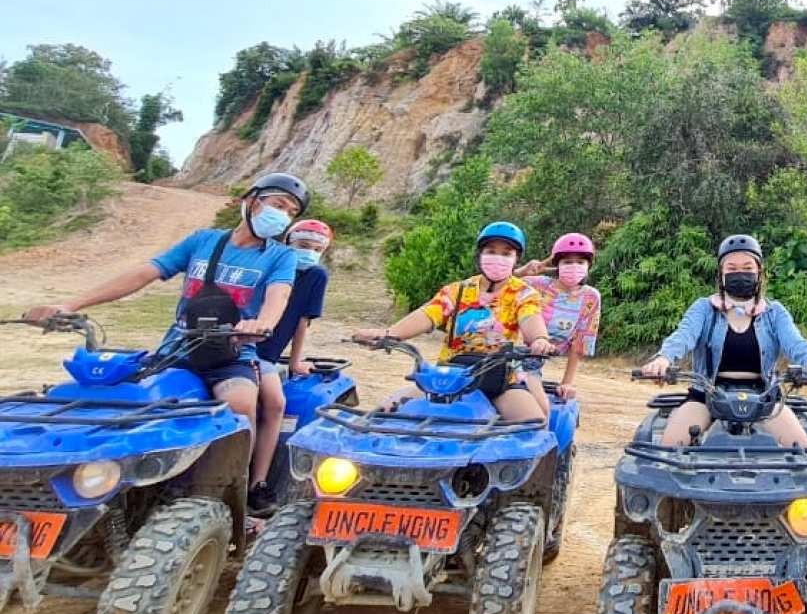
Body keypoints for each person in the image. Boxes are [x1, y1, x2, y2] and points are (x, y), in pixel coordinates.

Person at [25, 172, 308, 442]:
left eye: (291, 212)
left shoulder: (281, 256)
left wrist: (262, 324)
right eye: (278, 205)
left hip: (231, 355)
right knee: (123, 403)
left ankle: (231, 489)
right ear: (251, 200)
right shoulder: (202, 241)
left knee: (240, 403)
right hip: (177, 349)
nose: (282, 216)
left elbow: (278, 296)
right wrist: (69, 304)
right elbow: (144, 273)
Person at [640, 234, 807, 448]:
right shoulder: (704, 309)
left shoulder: (774, 312)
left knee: (801, 449)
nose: (740, 273)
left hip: (765, 397)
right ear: (721, 274)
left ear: (759, 272)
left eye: (748, 268)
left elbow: (795, 342)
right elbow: (683, 336)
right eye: (731, 269)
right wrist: (663, 358)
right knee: (670, 447)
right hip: (707, 395)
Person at [351, 222, 553, 422]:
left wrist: (539, 339)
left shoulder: (523, 294)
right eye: (491, 251)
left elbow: (531, 317)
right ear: (480, 255)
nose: (497, 258)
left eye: (506, 253)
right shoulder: (458, 290)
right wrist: (389, 334)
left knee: (533, 425)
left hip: (498, 381)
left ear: (516, 259)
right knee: (382, 414)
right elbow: (429, 314)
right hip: (448, 379)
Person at [247, 219, 335, 514]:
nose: (308, 252)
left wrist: (296, 360)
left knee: (275, 403)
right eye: (302, 246)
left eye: (315, 248)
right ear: (288, 243)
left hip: (265, 355)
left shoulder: (315, 276)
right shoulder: (268, 265)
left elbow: (302, 322)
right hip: (241, 346)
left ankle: (256, 484)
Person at [516, 232, 602, 403]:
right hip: (506, 354)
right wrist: (522, 271)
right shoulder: (536, 284)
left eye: (580, 262)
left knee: (539, 408)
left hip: (533, 363)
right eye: (568, 262)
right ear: (557, 265)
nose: (574, 266)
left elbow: (579, 344)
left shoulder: (590, 298)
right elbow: (496, 284)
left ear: (588, 265)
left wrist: (567, 383)